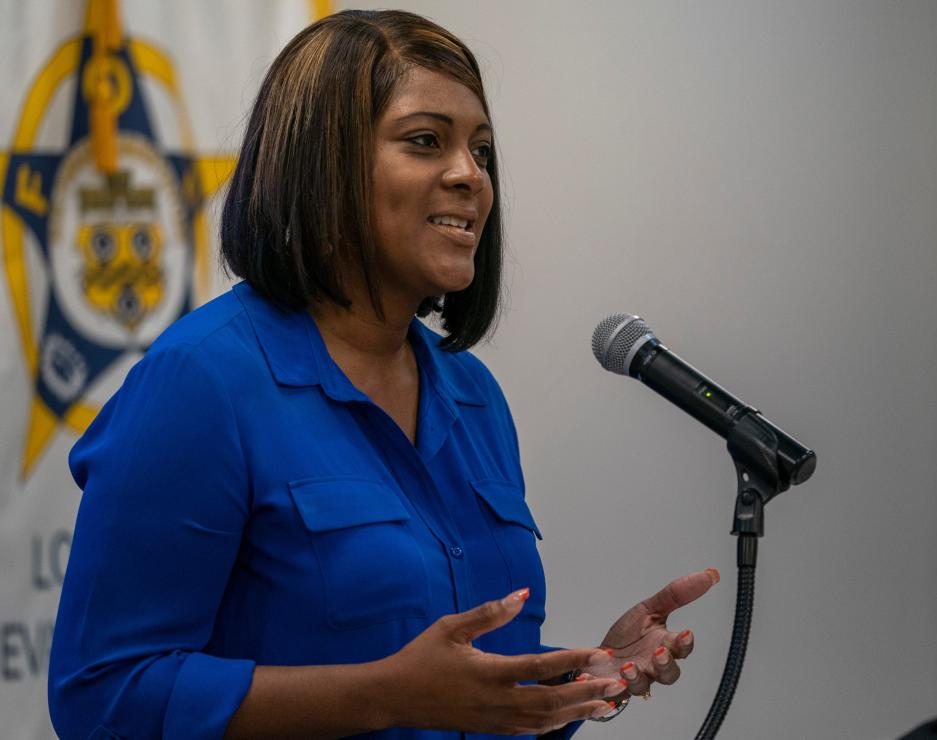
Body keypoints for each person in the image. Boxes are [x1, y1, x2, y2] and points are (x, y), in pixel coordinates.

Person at [48, 10, 720, 739]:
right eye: (426, 141)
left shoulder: (472, 397)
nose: (471, 176)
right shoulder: (201, 383)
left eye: (482, 150)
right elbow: (101, 696)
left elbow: (454, 688)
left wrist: (571, 677)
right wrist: (382, 696)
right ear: (321, 164)